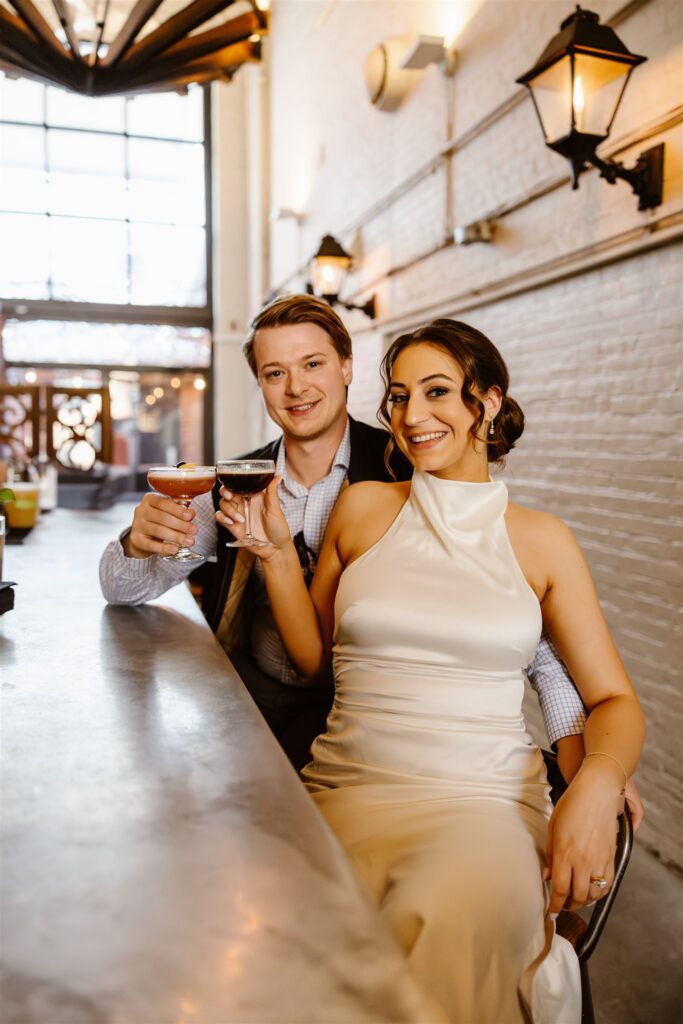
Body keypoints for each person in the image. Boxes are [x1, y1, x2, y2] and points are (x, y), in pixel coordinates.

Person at [217, 318, 646, 1023]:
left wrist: (597, 782)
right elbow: (315, 659)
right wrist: (274, 554)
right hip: (345, 790)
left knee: (441, 922)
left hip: (482, 802)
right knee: (271, 938)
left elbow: (612, 700)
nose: (412, 414)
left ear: (488, 402)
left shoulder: (542, 541)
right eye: (399, 396)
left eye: (437, 391)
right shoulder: (363, 509)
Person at [100, 297, 601, 789]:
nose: (296, 387)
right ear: (261, 385)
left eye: (312, 364)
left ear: (346, 367)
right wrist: (137, 544)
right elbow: (120, 589)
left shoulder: (416, 468)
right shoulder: (236, 482)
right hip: (251, 706)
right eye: (275, 373)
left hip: (364, 721)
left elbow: (522, 622)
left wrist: (585, 756)